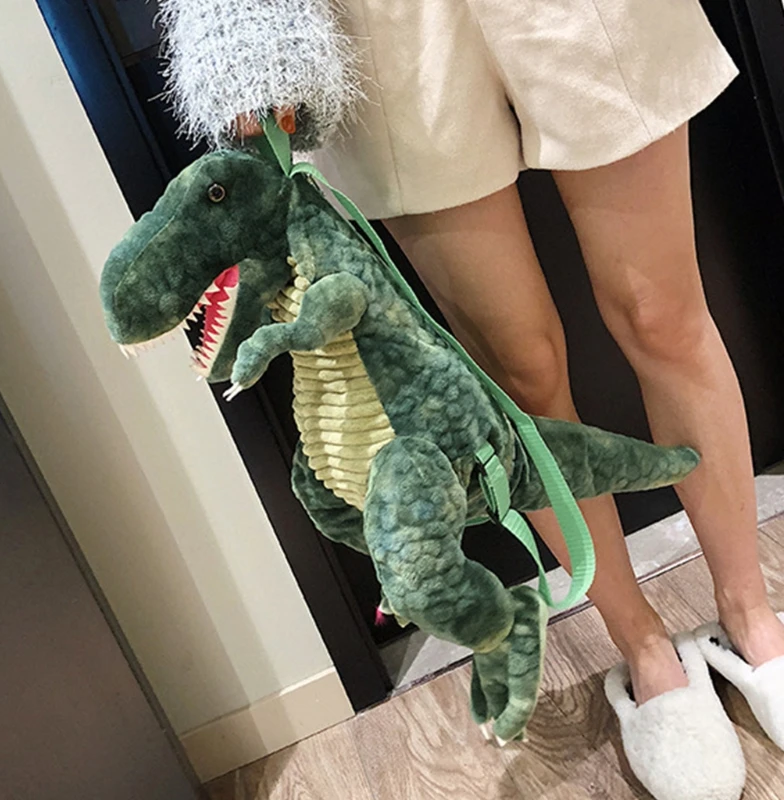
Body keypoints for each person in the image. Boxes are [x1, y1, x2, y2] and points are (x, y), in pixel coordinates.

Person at [158, 1, 784, 797]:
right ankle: (645, 649)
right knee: (518, 371)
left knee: (663, 315)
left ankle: (751, 620)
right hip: (380, 24)